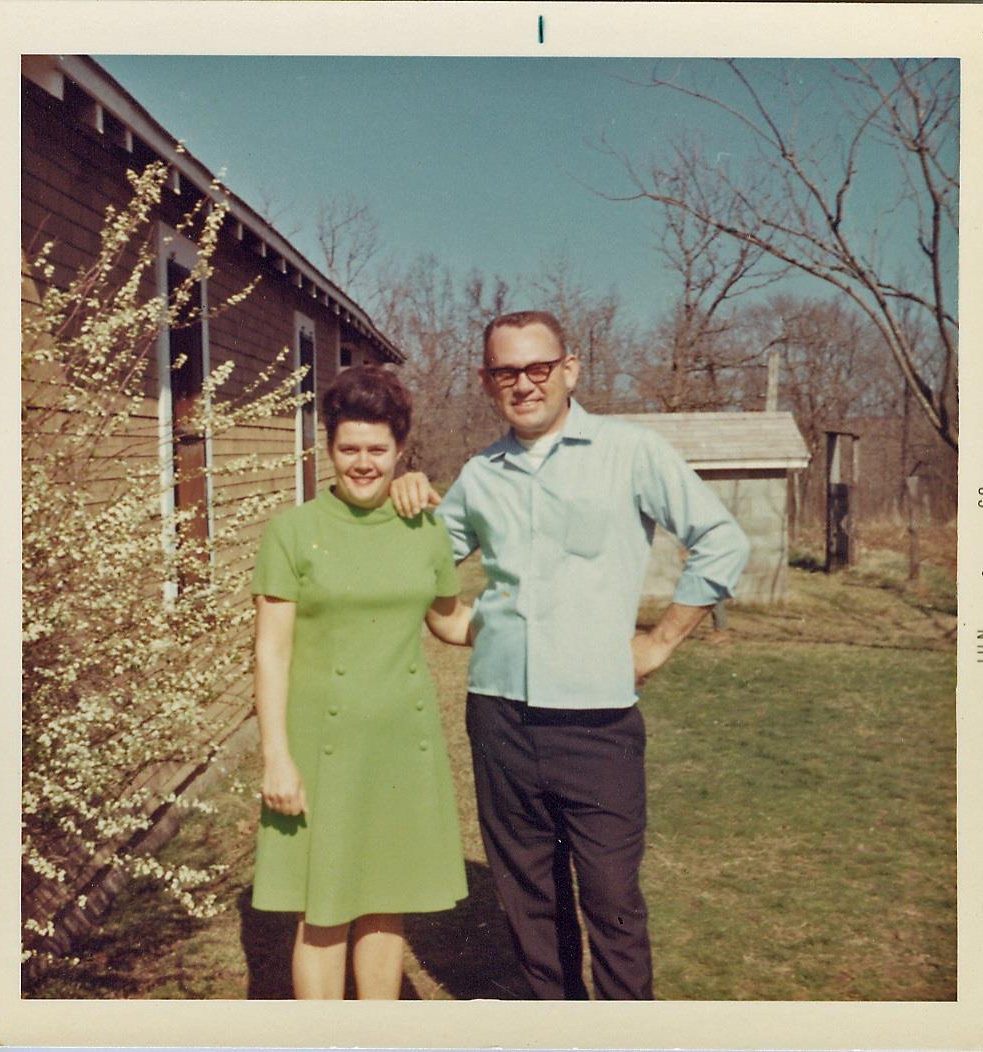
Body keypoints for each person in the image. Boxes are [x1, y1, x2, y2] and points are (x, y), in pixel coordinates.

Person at [391, 310, 749, 1000]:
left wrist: (659, 640)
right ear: (486, 381)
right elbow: (423, 565)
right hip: (499, 717)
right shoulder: (480, 473)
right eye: (506, 371)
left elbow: (722, 540)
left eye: (538, 368)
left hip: (597, 722)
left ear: (569, 370)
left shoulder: (630, 452)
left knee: (613, 901)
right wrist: (403, 497)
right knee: (527, 902)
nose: (524, 384)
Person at [249, 364, 472, 1000]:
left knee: (384, 901)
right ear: (329, 448)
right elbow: (271, 652)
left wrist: (524, 620)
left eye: (378, 449)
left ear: (401, 450)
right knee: (322, 914)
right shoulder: (292, 533)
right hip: (322, 747)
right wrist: (276, 759)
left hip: (403, 743)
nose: (364, 463)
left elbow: (451, 622)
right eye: (349, 448)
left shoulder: (426, 527)